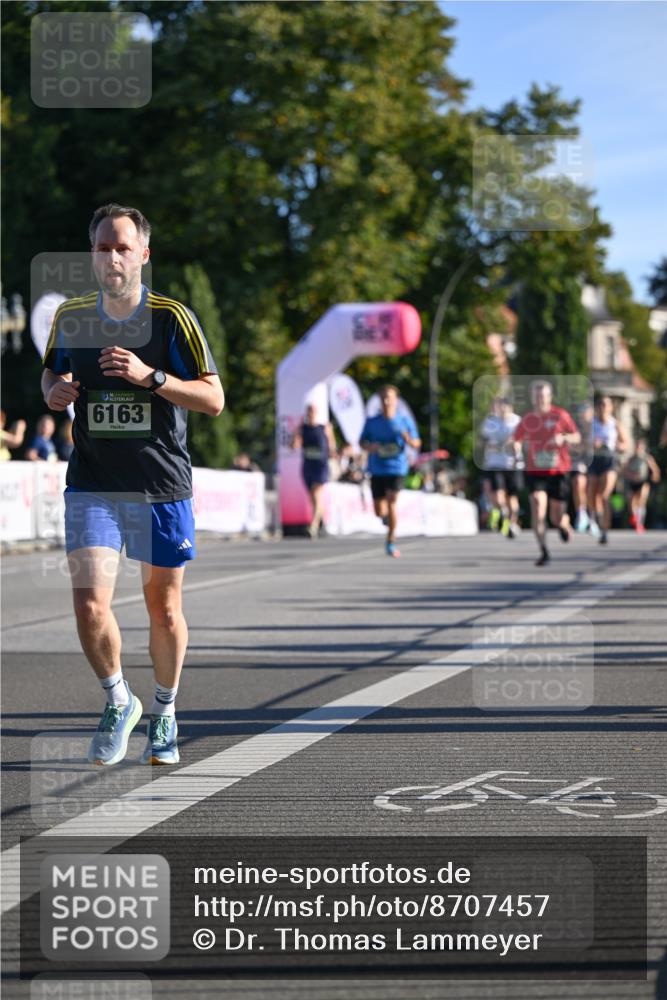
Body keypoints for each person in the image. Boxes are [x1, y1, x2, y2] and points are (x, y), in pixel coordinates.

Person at [41, 203, 224, 767]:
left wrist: (153, 378)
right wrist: (53, 391)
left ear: (143, 254)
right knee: (90, 603)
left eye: (123, 247)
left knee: (163, 609)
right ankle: (120, 700)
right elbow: (52, 370)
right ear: (91, 257)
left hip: (160, 485)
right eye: (102, 248)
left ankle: (165, 711)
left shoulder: (172, 318)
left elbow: (214, 399)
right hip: (93, 482)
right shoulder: (72, 316)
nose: (112, 256)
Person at [512, 381, 580, 567]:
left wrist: (563, 438)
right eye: (537, 396)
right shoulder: (528, 419)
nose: (540, 399)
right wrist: (516, 448)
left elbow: (576, 436)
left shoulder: (560, 415)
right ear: (533, 398)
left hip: (558, 470)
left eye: (543, 395)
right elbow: (515, 439)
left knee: (555, 517)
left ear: (549, 397)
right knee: (537, 504)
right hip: (536, 470)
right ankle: (543, 550)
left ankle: (564, 524)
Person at [359, 384, 421, 557]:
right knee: (380, 511)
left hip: (397, 468)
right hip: (377, 469)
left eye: (390, 398)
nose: (387, 401)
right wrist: (369, 447)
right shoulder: (372, 422)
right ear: (380, 400)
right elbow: (361, 442)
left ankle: (391, 541)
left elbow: (417, 443)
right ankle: (386, 519)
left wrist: (409, 440)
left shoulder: (404, 421)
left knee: (392, 500)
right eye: (384, 398)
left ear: (396, 400)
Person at [587, 395, 629, 544]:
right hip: (594, 460)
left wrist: (616, 446)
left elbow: (625, 444)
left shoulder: (615, 424)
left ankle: (605, 530)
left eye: (606, 405)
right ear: (597, 408)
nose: (603, 408)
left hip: (609, 460)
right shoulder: (591, 424)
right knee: (592, 494)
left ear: (611, 408)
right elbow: (582, 443)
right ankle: (596, 519)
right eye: (600, 405)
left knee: (605, 495)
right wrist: (592, 444)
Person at [291, 403, 337, 537]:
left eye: (313, 411)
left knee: (317, 494)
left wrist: (333, 453)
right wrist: (296, 435)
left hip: (321, 466)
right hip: (308, 466)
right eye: (309, 411)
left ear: (317, 413)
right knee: (313, 499)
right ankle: (321, 523)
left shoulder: (325, 428)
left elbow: (332, 446)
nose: (311, 414)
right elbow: (294, 446)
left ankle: (314, 525)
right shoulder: (302, 428)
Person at [479, 397, 521, 538]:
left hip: (512, 464)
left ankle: (512, 523)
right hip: (495, 464)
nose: (500, 410)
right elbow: (482, 440)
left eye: (503, 407)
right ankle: (502, 512)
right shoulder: (490, 422)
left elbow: (522, 439)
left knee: (512, 498)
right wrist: (488, 444)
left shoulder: (516, 421)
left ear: (509, 408)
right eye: (498, 407)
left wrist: (515, 443)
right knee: (497, 495)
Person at [622, 437, 661, 533]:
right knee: (632, 502)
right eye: (637, 446)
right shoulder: (631, 458)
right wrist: (630, 474)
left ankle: (640, 523)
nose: (638, 448)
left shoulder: (646, 457)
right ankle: (635, 519)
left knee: (641, 500)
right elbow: (624, 470)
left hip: (643, 481)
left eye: (640, 446)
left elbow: (655, 469)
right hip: (632, 482)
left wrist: (655, 475)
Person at [570, 401, 593, 533]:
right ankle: (581, 514)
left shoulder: (597, 426)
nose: (583, 415)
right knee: (578, 484)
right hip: (580, 462)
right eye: (581, 412)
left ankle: (593, 517)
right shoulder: (575, 428)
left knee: (592, 491)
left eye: (585, 411)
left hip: (597, 463)